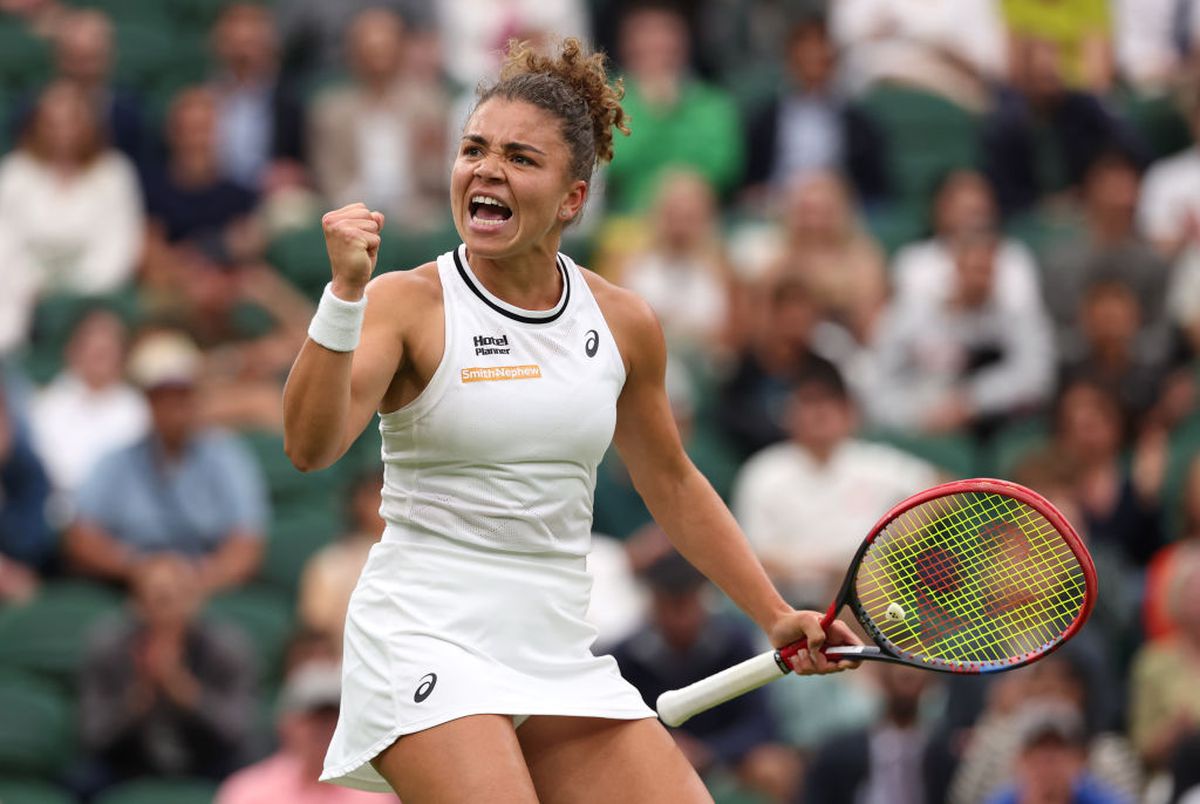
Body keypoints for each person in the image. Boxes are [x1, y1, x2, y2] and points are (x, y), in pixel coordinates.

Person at [282, 37, 861, 801]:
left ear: (573, 198)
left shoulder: (623, 322)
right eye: (473, 149)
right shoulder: (404, 302)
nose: (487, 170)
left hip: (553, 645)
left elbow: (674, 482)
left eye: (520, 158)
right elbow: (309, 446)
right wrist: (344, 298)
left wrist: (775, 612)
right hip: (424, 634)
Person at [62, 330, 268, 594]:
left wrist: (196, 581)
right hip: (129, 589)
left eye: (181, 394)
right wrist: (138, 569)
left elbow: (247, 542)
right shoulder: (116, 460)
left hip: (206, 590)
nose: (173, 406)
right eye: (162, 395)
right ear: (147, 400)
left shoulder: (226, 455)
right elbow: (81, 535)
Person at [731, 360, 940, 606]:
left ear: (848, 411)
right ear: (789, 413)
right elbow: (752, 558)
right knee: (846, 583)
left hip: (868, 595)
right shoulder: (764, 472)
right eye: (809, 402)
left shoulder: (875, 463)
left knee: (864, 583)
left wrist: (905, 531)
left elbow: (942, 487)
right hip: (791, 605)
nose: (820, 412)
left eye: (829, 402)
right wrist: (818, 570)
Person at [610, 549, 801, 803]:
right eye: (669, 604)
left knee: (773, 766)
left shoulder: (735, 644)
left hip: (726, 763)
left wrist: (709, 752)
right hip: (653, 763)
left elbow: (761, 723)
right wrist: (665, 749)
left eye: (685, 603)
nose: (679, 617)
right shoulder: (624, 657)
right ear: (653, 601)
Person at [78, 554, 258, 792]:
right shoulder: (109, 648)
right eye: (157, 599)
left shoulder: (226, 647)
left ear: (196, 601)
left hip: (208, 761)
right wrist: (138, 700)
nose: (167, 611)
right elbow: (93, 735)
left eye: (177, 598)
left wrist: (188, 695)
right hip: (127, 763)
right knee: (81, 780)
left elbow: (237, 730)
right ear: (136, 604)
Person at [0, 80, 144, 356]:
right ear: (36, 125)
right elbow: (4, 243)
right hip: (19, 290)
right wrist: (31, 285)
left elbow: (119, 247)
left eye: (70, 122)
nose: (62, 132)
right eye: (52, 123)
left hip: (94, 296)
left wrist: (71, 293)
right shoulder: (13, 173)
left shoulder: (115, 173)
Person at [216, 661, 388, 804]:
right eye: (313, 718)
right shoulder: (247, 792)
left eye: (333, 718)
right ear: (287, 722)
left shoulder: (374, 796)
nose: (323, 729)